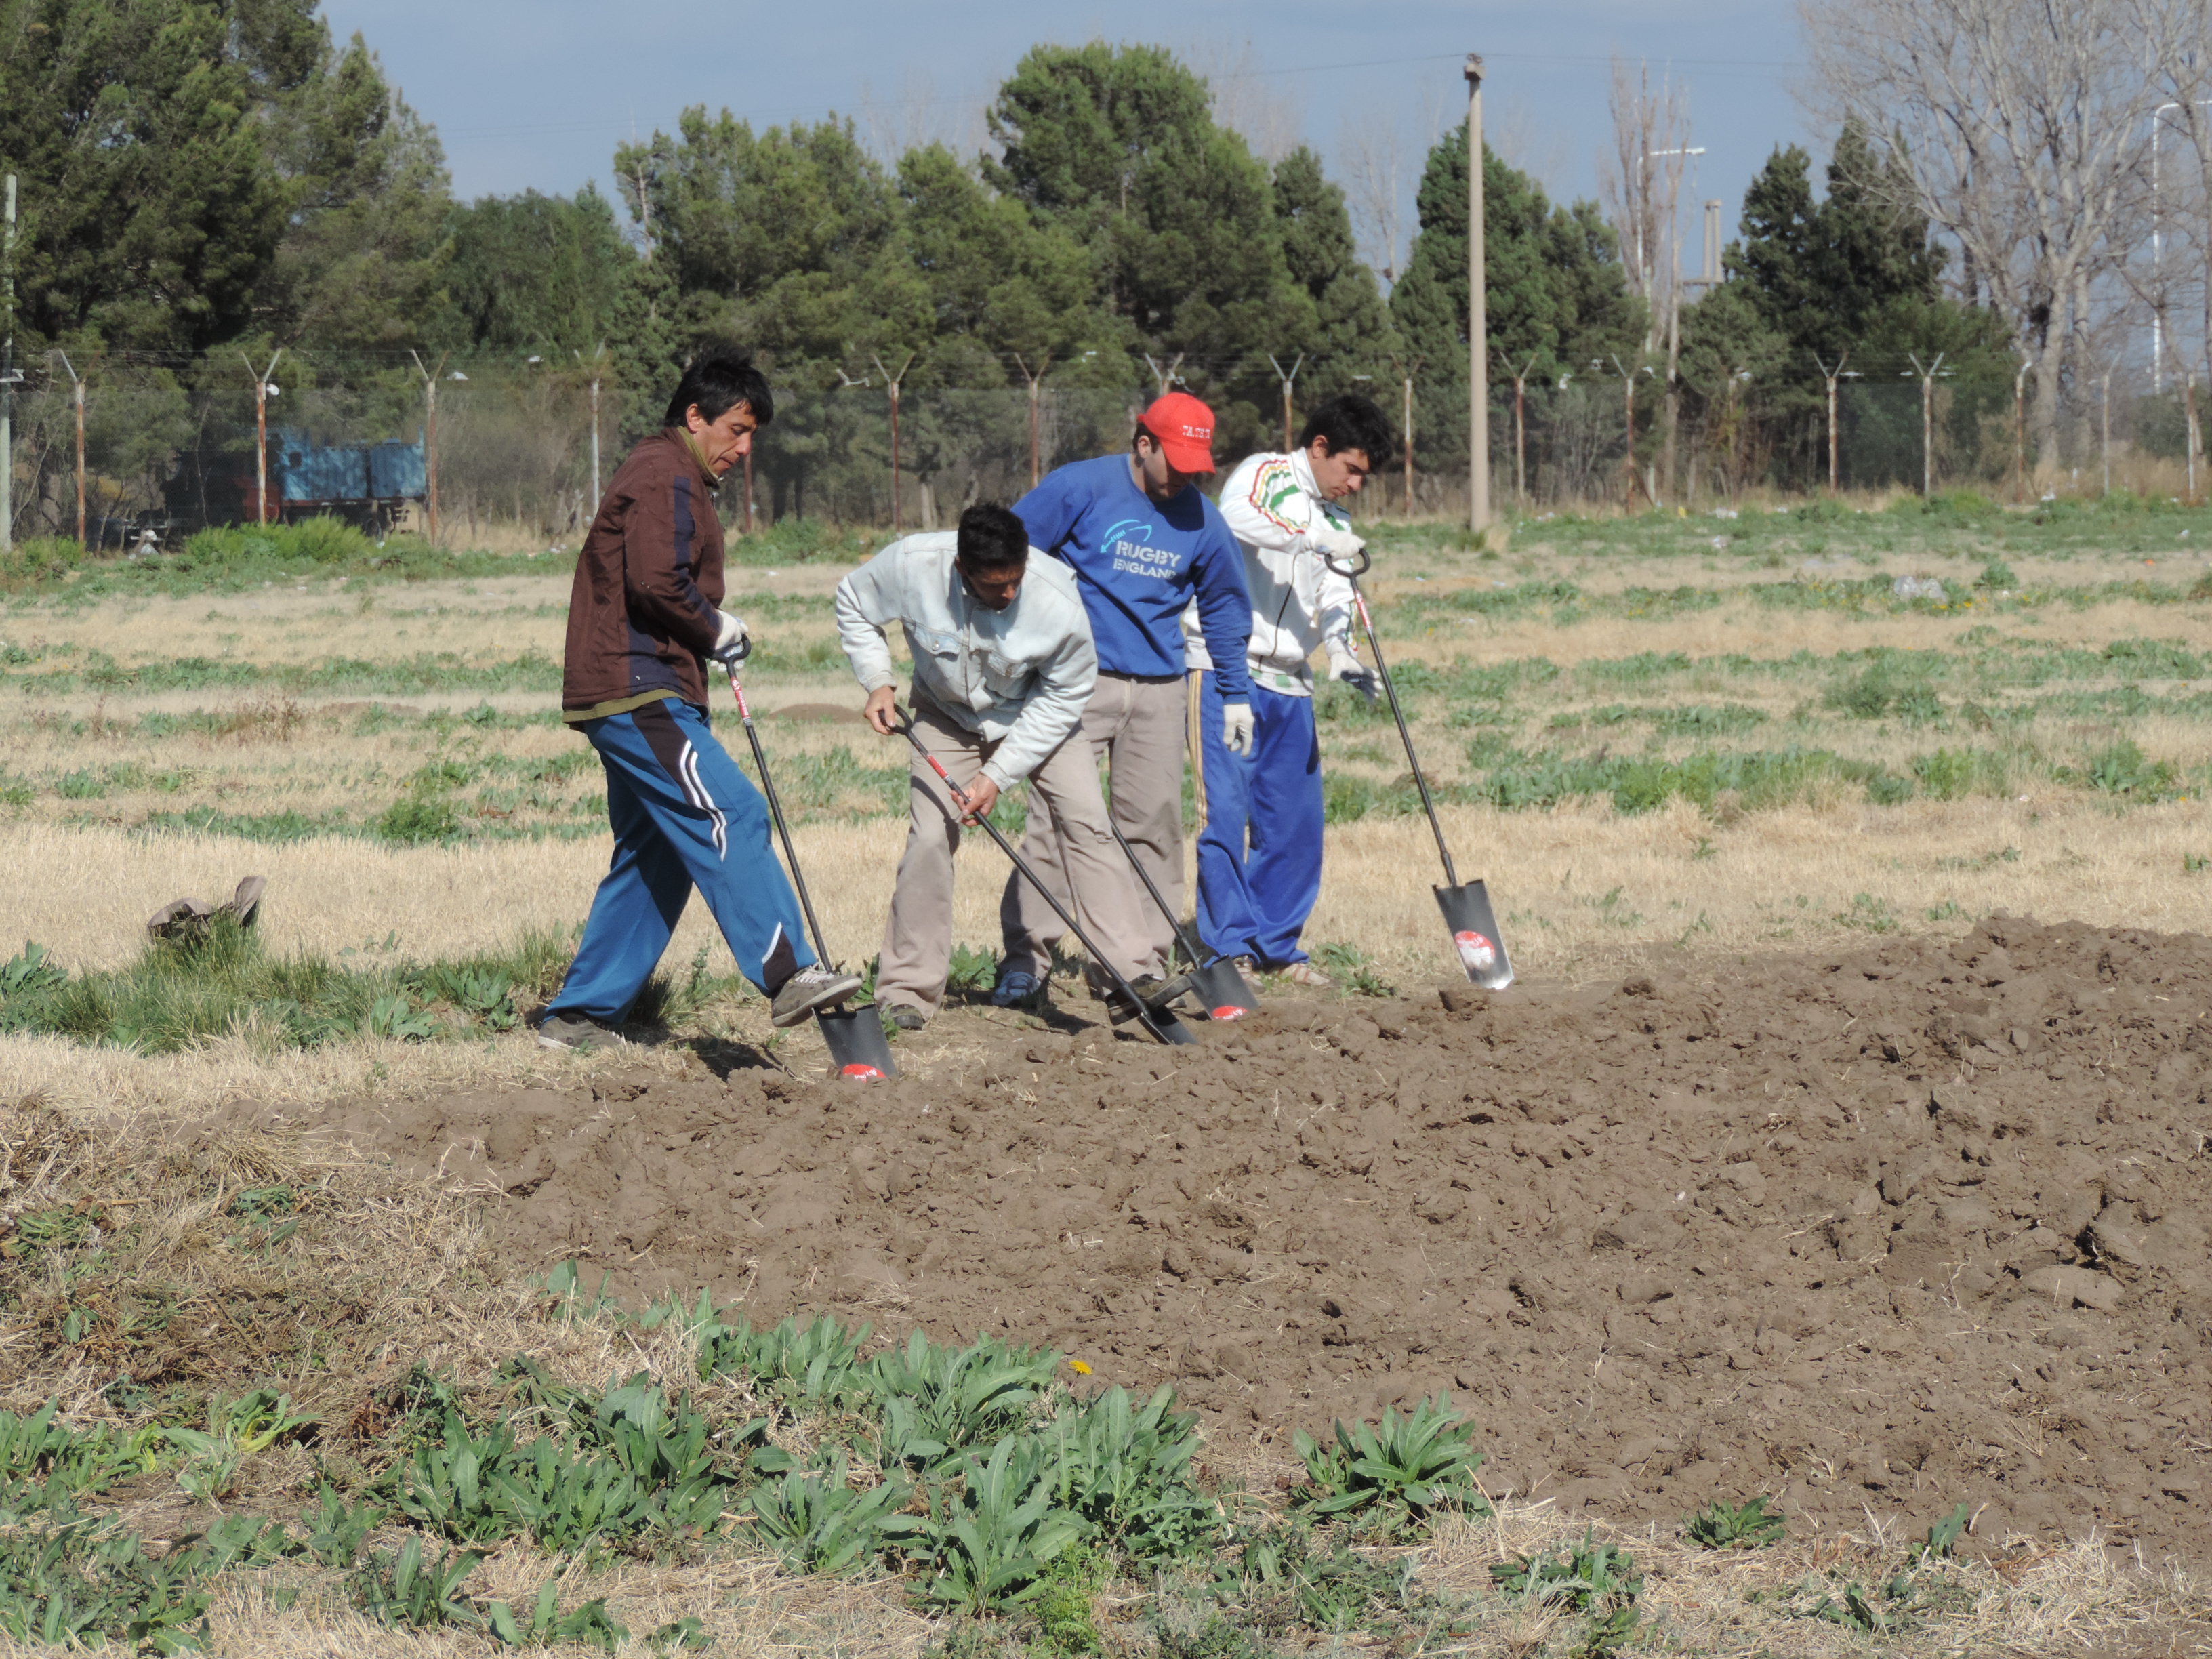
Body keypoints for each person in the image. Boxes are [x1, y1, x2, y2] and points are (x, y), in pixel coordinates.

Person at [535, 350, 861, 1050]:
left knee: (655, 852)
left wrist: (708, 635)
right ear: (695, 417)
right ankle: (789, 972)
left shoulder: (670, 471)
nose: (745, 450)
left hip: (634, 685)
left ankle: (579, 1017)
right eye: (737, 431)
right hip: (637, 686)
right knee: (729, 810)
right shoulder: (666, 474)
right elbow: (657, 581)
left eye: (752, 437)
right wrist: (716, 627)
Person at [836, 504, 1150, 1027]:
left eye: (1015, 581)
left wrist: (997, 774)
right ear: (961, 569)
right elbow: (852, 600)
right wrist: (878, 680)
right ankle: (907, 991)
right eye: (993, 584)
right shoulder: (912, 565)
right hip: (945, 714)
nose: (1008, 594)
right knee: (930, 838)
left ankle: (1129, 974)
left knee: (1088, 824)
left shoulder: (1056, 601)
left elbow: (1065, 694)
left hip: (1036, 716)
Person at [992, 392, 1254, 1005]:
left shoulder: (1203, 520)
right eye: (1177, 462)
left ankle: (1140, 966)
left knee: (1154, 827)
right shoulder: (1078, 488)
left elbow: (1223, 606)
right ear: (1144, 443)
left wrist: (1235, 691)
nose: (1185, 477)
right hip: (1076, 685)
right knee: (1058, 822)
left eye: (1197, 466)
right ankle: (1027, 956)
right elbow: (1006, 553)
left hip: (1160, 689)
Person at [1185, 393, 1396, 987]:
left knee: (1295, 825)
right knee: (1225, 811)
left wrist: (1344, 654)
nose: (1355, 484)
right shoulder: (1263, 474)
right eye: (1350, 469)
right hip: (1225, 666)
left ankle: (1276, 944)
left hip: (1290, 681)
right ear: (1320, 447)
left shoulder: (1339, 520)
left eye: (1364, 476)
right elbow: (1235, 522)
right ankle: (1228, 948)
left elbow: (1336, 594)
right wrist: (1312, 539)